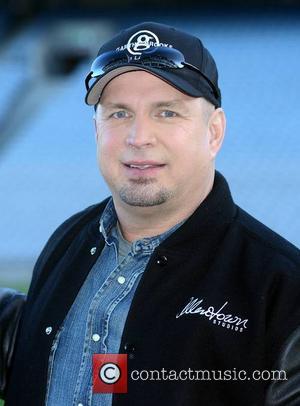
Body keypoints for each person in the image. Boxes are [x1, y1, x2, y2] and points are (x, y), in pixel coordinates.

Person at [3, 21, 300, 406]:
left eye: (167, 113)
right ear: (96, 131)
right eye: (119, 113)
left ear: (214, 133)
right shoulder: (67, 241)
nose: (138, 137)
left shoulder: (281, 287)